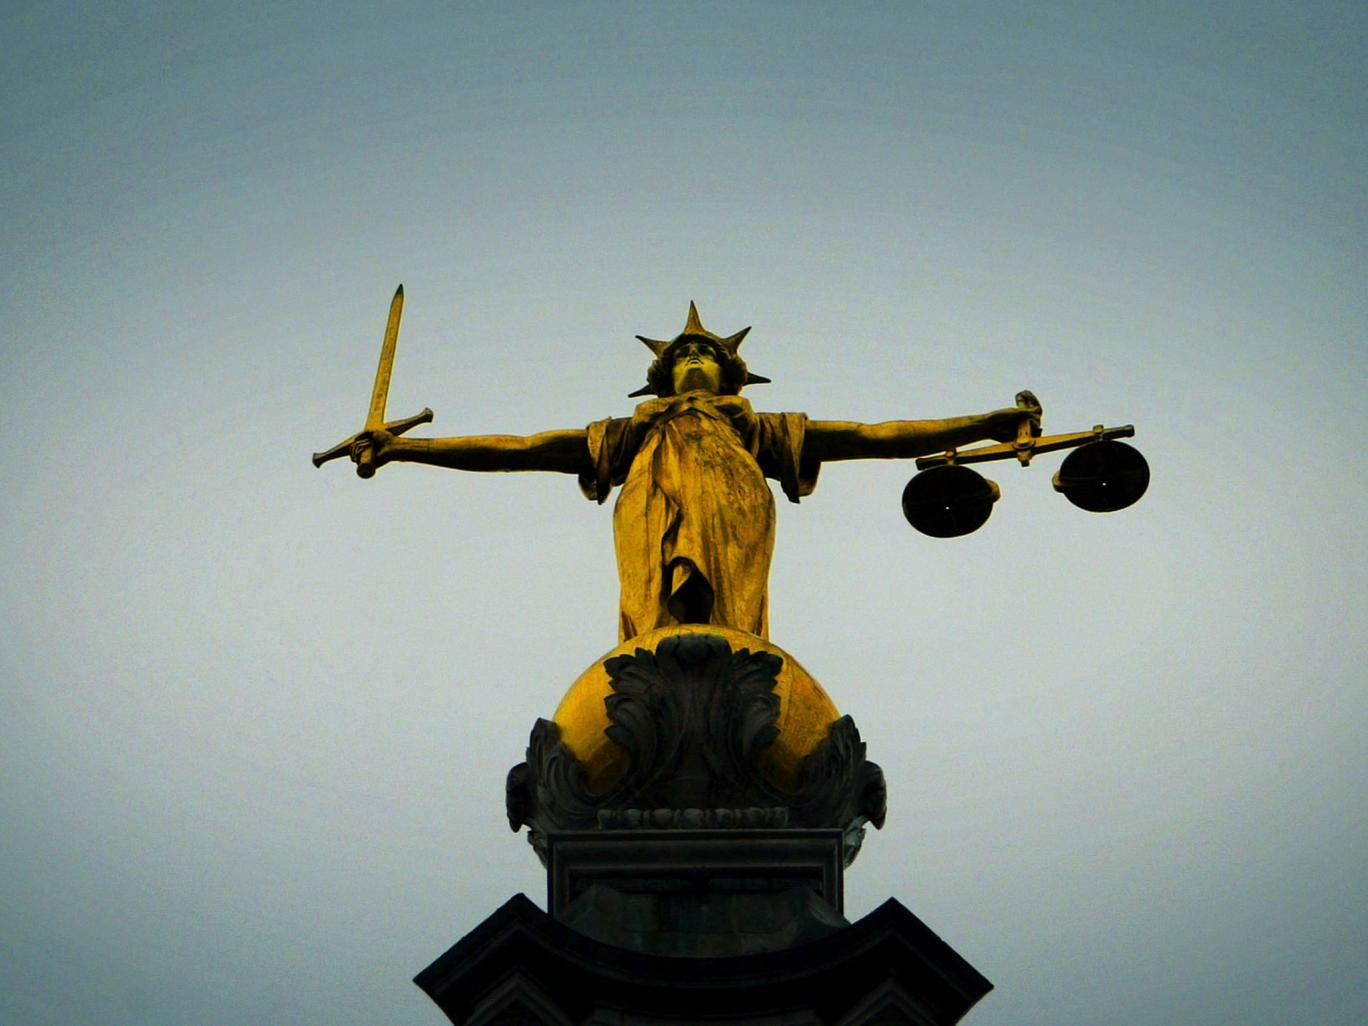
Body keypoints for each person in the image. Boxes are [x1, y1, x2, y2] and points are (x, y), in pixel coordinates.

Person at [356, 304, 1037, 642]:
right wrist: (408, 448)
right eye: (679, 352)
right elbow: (523, 447)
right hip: (648, 506)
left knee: (730, 630)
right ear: (657, 376)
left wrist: (983, 423)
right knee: (654, 626)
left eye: (702, 351)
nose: (689, 357)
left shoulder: (758, 429)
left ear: (730, 369)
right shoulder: (631, 434)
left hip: (734, 501)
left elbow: (875, 436)